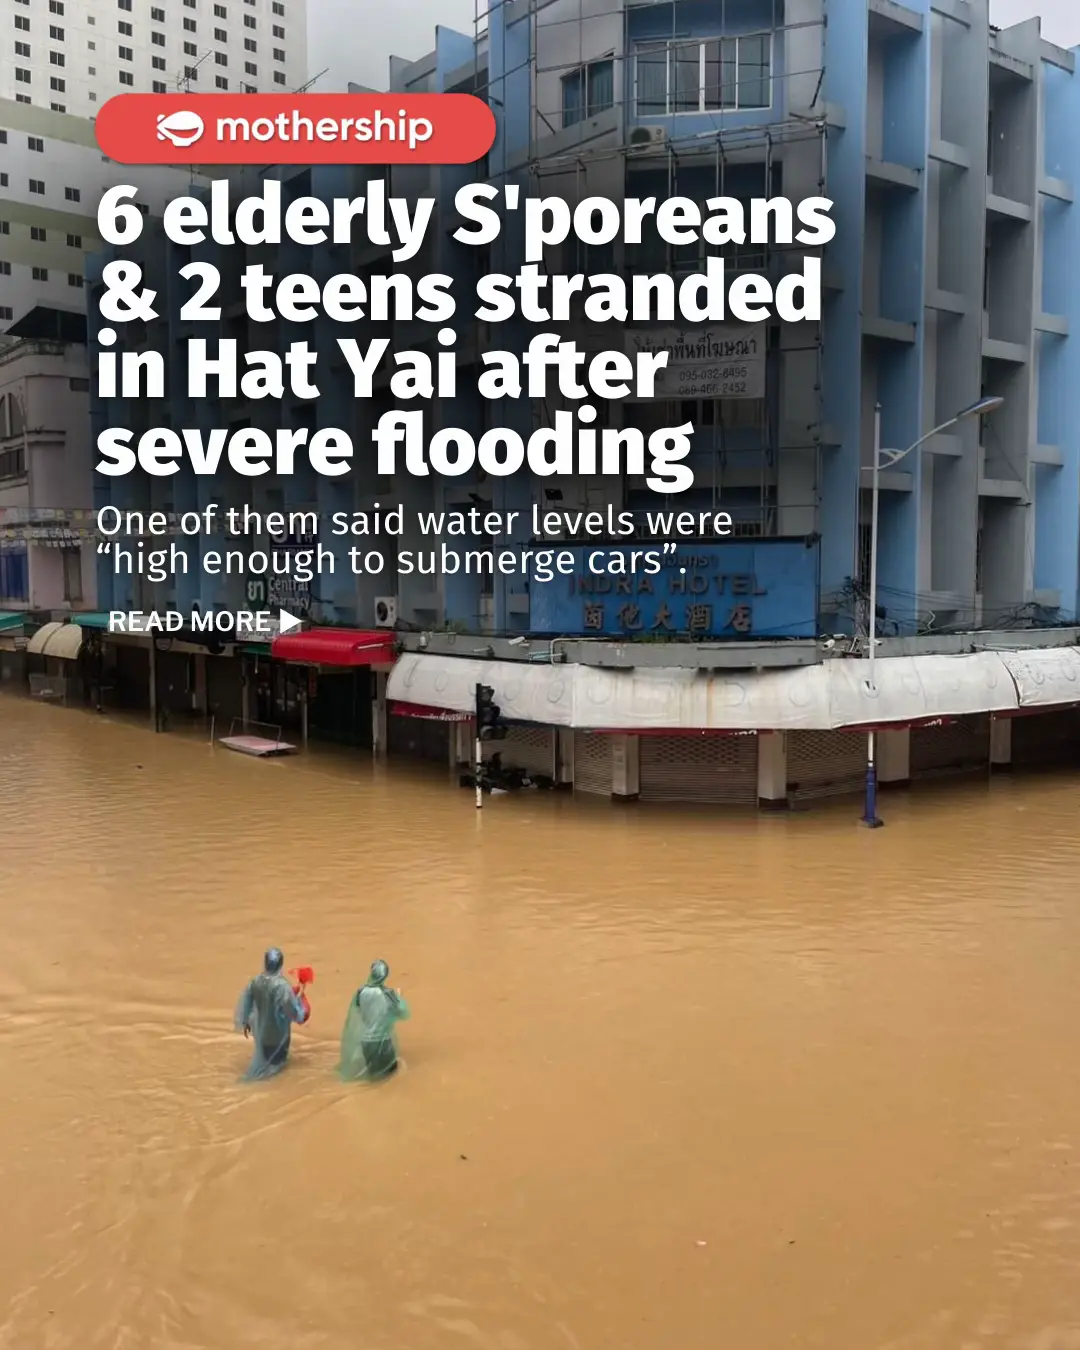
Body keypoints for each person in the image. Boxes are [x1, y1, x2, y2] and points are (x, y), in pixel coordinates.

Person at [233, 947, 307, 1080]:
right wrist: (302, 1008)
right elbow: (292, 1011)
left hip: (261, 1035)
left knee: (266, 1063)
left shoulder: (255, 982)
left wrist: (245, 1022)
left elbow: (246, 1005)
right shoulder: (282, 986)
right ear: (281, 964)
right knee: (276, 1070)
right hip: (278, 1036)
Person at [338, 960, 410, 1082]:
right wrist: (398, 996)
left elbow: (361, 1011)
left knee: (373, 1079)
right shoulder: (388, 994)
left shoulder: (360, 992)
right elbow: (402, 1013)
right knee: (389, 1080)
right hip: (382, 1042)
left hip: (365, 1043)